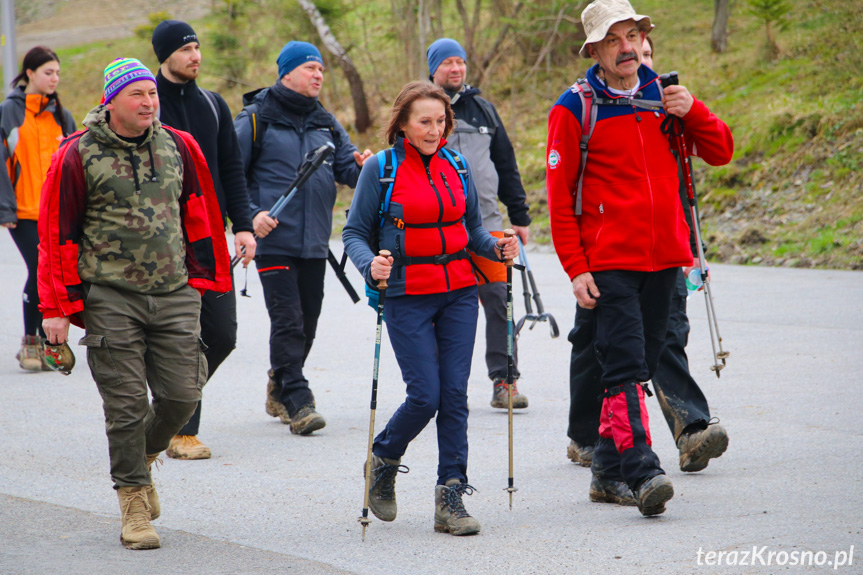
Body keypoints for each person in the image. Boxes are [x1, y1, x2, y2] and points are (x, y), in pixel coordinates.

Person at [546, 0, 733, 516]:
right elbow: (559, 197)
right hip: (609, 260)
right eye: (614, 40)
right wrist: (576, 267)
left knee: (645, 360)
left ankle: (605, 473)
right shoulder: (573, 107)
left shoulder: (663, 94)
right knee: (625, 361)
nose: (627, 48)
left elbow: (721, 151)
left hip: (666, 256)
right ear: (596, 51)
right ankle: (642, 467)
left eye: (632, 36)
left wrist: (692, 110)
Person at [37, 58, 231, 549]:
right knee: (124, 408)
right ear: (112, 101)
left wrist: (206, 277)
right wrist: (54, 307)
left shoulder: (178, 146)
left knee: (184, 394)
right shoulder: (77, 155)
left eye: (152, 94)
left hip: (174, 292)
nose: (149, 102)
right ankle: (133, 502)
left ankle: (143, 457)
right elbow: (56, 234)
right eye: (137, 95)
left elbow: (201, 211)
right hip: (110, 297)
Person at [343, 80, 519, 536]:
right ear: (402, 123)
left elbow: (472, 230)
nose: (434, 130)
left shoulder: (457, 164)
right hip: (406, 294)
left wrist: (498, 247)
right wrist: (371, 264)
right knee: (427, 395)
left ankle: (451, 495)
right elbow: (354, 234)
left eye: (441, 121)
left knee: (455, 395)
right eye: (425, 121)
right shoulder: (380, 169)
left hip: (460, 290)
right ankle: (383, 458)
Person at [234, 41, 371, 435]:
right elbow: (231, 176)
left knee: (307, 322)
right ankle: (298, 399)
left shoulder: (326, 122)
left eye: (321, 70)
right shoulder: (256, 119)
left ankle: (279, 383)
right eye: (310, 67)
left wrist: (361, 166)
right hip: (273, 239)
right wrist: (251, 216)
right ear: (286, 73)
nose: (317, 75)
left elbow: (347, 170)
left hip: (314, 241)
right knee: (289, 320)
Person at [152, 19, 257, 460]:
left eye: (197, 47)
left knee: (223, 333)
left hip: (209, 239)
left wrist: (244, 225)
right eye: (185, 49)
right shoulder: (147, 105)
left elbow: (232, 170)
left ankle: (168, 409)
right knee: (181, 334)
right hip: (161, 242)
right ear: (165, 55)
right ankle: (181, 431)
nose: (195, 56)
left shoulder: (214, 105)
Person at [426, 38, 532, 410]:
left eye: (460, 62)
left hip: (488, 225)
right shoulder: (423, 109)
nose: (456, 69)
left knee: (500, 303)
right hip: (439, 231)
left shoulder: (484, 110)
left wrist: (518, 216)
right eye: (447, 63)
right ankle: (441, 386)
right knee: (444, 306)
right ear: (433, 68)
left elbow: (506, 164)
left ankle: (505, 381)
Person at [0, 46, 75, 371]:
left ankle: (49, 343)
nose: (54, 78)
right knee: (39, 268)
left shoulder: (61, 114)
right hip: (24, 211)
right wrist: (5, 208)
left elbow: (76, 160)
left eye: (57, 73)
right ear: (29, 73)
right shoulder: (9, 112)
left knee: (56, 273)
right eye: (48, 72)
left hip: (56, 212)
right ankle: (31, 343)